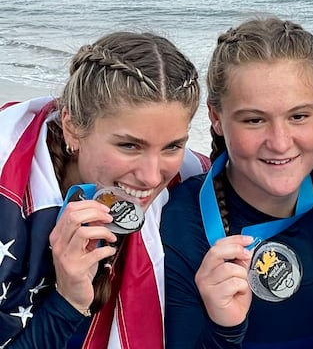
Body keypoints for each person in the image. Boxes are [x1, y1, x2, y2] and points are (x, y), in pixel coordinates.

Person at [162, 17, 313, 348]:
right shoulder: (180, 227)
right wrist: (223, 330)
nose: (279, 142)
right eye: (254, 120)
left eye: (298, 116)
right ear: (216, 118)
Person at [0, 32, 208, 349]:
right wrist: (68, 301)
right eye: (129, 146)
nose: (152, 177)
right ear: (72, 127)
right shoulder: (9, 195)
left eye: (172, 146)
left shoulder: (191, 182)